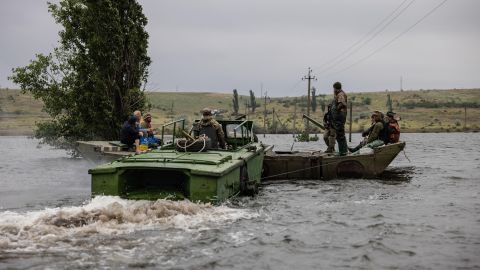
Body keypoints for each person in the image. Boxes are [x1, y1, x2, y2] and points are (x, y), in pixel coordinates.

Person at [331, 82, 348, 155]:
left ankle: (342, 152)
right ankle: (343, 151)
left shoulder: (340, 94)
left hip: (339, 117)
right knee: (340, 134)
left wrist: (336, 109)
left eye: (334, 88)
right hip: (338, 118)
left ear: (335, 88)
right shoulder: (339, 94)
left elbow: (342, 103)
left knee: (340, 134)